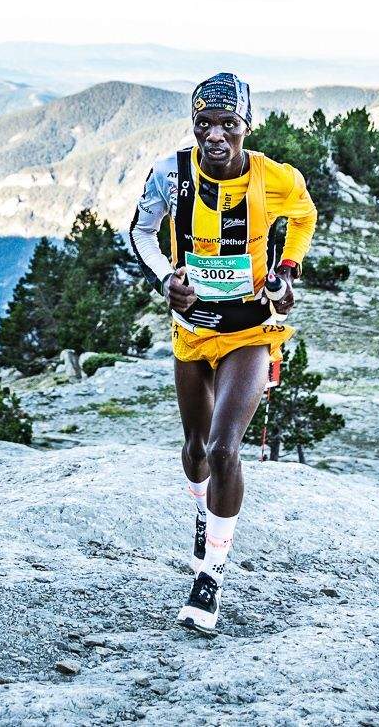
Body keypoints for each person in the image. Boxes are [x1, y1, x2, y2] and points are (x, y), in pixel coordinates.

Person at [126, 72, 321, 636]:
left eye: (227, 125)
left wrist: (287, 271)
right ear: (194, 127)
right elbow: (141, 230)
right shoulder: (170, 175)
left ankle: (208, 579)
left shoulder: (274, 179)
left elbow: (304, 215)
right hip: (193, 327)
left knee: (223, 447)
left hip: (252, 330)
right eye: (204, 125)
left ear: (246, 127)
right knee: (194, 452)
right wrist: (168, 277)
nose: (216, 136)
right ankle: (204, 511)